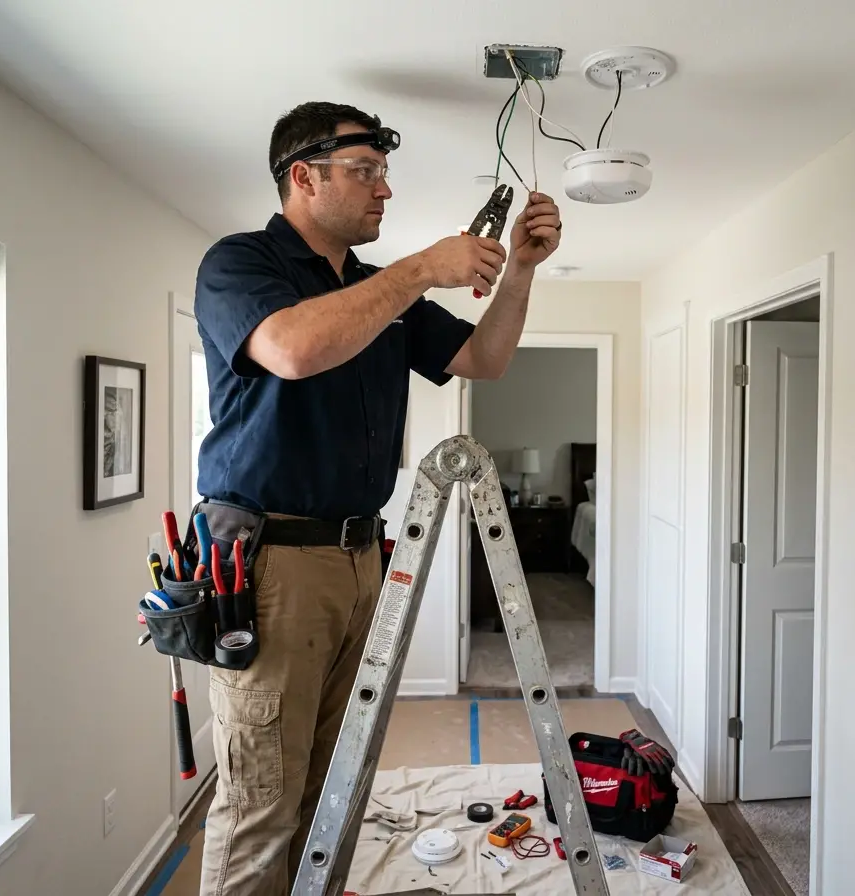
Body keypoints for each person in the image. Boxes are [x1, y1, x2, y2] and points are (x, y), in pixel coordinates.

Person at [189, 100, 563, 895]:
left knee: (336, 783)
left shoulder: (373, 290)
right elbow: (290, 348)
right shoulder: (240, 264)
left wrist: (521, 270)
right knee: (262, 802)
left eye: (385, 173)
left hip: (364, 558)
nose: (383, 190)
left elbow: (482, 358)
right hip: (271, 566)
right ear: (303, 176)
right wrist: (424, 267)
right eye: (364, 172)